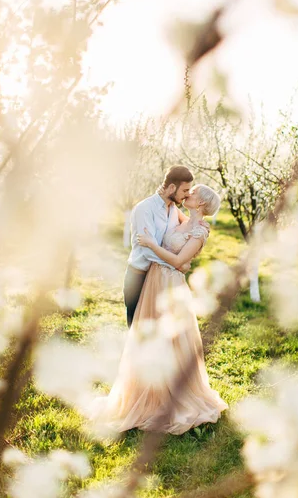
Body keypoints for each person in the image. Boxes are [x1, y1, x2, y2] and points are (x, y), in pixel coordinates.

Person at [89, 184, 227, 435]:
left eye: (193, 193)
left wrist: (152, 244)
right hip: (155, 281)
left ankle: (167, 396)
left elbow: (178, 261)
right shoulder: (181, 217)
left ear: (203, 204)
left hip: (170, 287)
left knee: (170, 341)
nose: (189, 194)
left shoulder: (200, 231)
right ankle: (144, 390)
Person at [124, 165, 194, 327]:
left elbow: (190, 225)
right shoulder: (145, 209)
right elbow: (148, 250)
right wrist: (177, 263)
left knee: (159, 330)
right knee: (137, 330)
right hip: (139, 277)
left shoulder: (173, 209)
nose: (187, 195)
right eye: (185, 191)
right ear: (171, 187)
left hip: (162, 278)